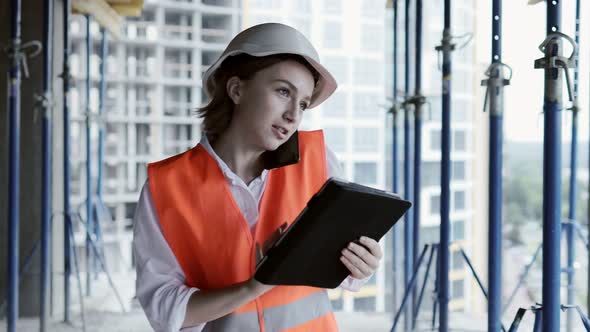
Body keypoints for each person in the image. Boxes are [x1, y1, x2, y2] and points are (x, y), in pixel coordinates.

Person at [133, 22, 384, 332]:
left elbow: (342, 270)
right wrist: (254, 286)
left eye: (303, 103)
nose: (294, 114)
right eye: (283, 91)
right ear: (237, 89)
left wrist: (361, 265)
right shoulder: (165, 187)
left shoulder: (318, 160)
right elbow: (166, 310)